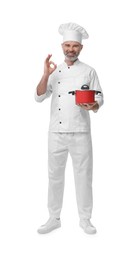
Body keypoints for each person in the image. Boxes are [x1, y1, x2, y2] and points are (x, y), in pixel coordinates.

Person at [35, 22, 104, 235]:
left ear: (81, 48)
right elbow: (38, 97)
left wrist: (93, 105)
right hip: (56, 132)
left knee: (84, 176)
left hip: (81, 131)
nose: (70, 49)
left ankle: (85, 219)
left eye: (75, 46)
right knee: (54, 176)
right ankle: (53, 218)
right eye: (67, 45)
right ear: (62, 46)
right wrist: (46, 74)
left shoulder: (89, 71)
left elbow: (99, 97)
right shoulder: (54, 72)